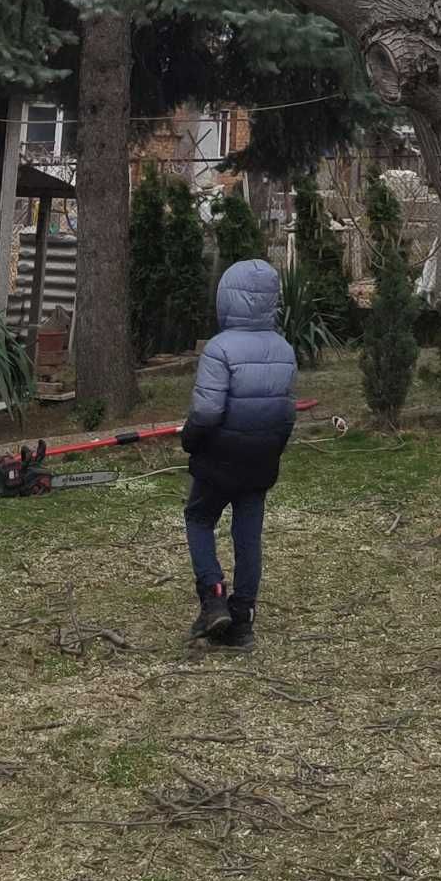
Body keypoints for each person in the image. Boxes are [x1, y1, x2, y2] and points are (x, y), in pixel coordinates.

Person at [180, 257, 297, 649]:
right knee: (249, 534)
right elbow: (287, 411)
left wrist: (191, 440)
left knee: (199, 517)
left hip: (220, 454)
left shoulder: (219, 349)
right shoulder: (284, 349)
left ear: (226, 298)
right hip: (262, 457)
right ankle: (243, 618)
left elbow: (207, 411)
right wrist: (273, 449)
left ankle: (213, 600)